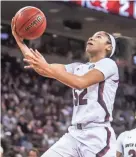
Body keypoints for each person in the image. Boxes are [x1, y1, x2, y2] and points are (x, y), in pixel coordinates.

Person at [11, 17, 120, 157]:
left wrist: (49, 69)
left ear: (108, 47)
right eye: (91, 36)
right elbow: (43, 69)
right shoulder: (77, 67)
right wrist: (20, 41)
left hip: (97, 135)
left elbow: (80, 82)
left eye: (98, 37)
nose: (91, 38)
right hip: (74, 134)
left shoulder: (108, 64)